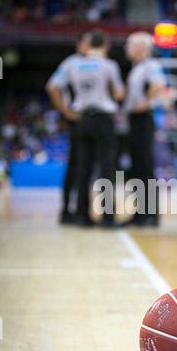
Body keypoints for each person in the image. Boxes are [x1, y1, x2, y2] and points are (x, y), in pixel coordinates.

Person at [48, 30, 125, 227]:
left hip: (81, 118)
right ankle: (107, 217)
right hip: (103, 118)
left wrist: (67, 112)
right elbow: (118, 93)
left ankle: (82, 215)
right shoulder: (109, 65)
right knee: (107, 167)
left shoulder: (73, 64)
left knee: (83, 168)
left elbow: (53, 86)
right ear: (105, 45)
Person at [46, 31, 92, 224]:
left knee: (87, 167)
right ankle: (67, 210)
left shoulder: (98, 65)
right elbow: (52, 87)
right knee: (76, 166)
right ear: (79, 45)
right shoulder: (71, 63)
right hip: (78, 120)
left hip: (92, 120)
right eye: (88, 43)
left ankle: (82, 210)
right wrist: (67, 112)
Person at [124, 32, 167, 227]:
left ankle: (150, 215)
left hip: (143, 119)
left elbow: (159, 85)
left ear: (141, 47)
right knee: (137, 167)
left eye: (129, 45)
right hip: (135, 119)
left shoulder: (151, 65)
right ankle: (140, 213)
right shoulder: (138, 67)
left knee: (144, 166)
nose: (127, 48)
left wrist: (145, 103)